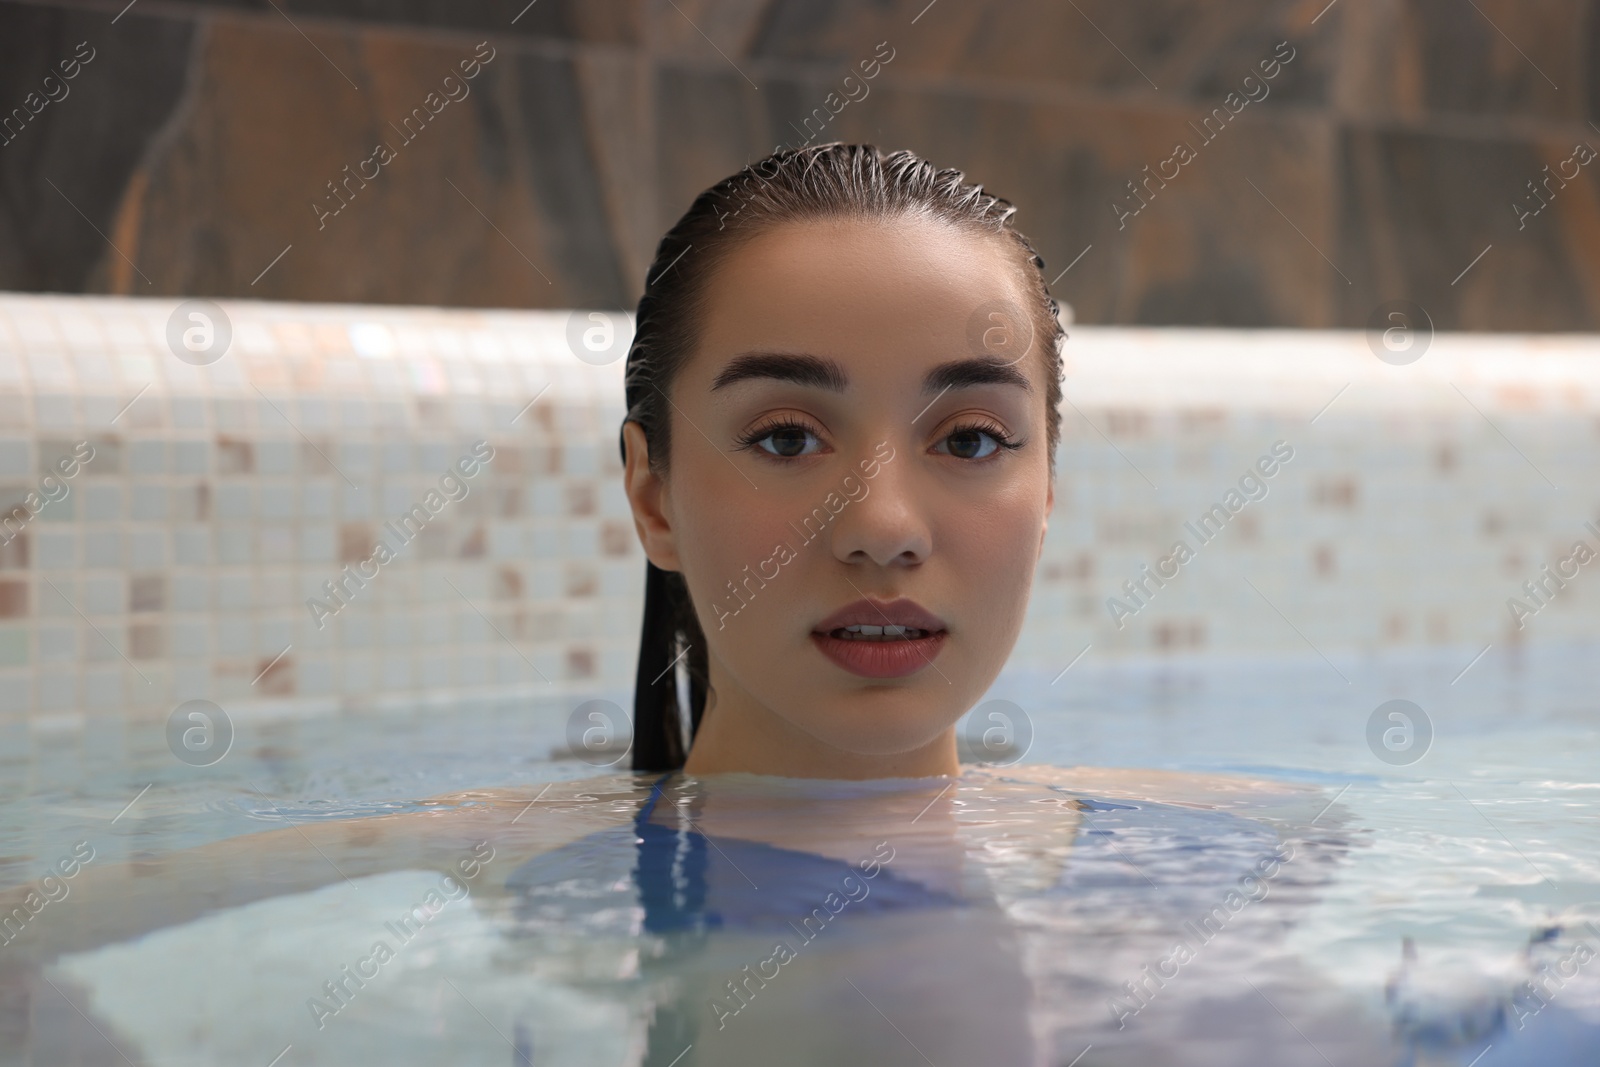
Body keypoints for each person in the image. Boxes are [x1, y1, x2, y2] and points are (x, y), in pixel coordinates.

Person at [3, 144, 1348, 1067]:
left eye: (974, 440)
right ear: (652, 493)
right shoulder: (510, 846)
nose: (883, 528)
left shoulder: (1238, 834)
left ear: (1050, 482)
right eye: (783, 437)